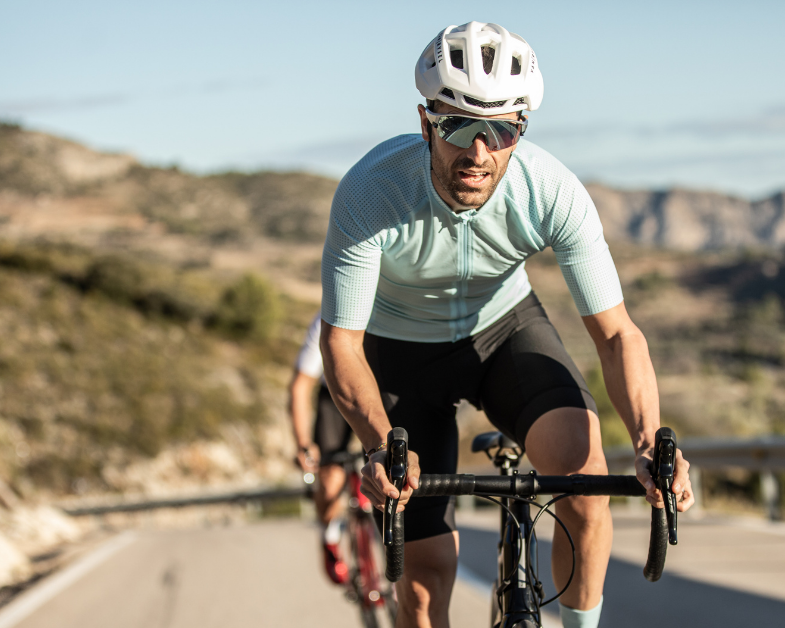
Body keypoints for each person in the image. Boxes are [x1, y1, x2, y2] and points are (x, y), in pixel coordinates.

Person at [319, 21, 694, 628]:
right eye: (458, 125)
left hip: (503, 332)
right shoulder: (371, 194)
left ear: (520, 131)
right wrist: (377, 441)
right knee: (428, 571)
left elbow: (618, 333)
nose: (478, 151)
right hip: (400, 355)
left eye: (498, 130)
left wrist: (652, 441)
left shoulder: (551, 190)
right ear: (425, 123)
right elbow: (341, 343)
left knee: (586, 490)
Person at [290, 313, 354, 585]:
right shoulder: (327, 320)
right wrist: (304, 443)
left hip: (382, 388)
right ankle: (329, 538)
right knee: (329, 481)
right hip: (335, 395)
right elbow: (301, 387)